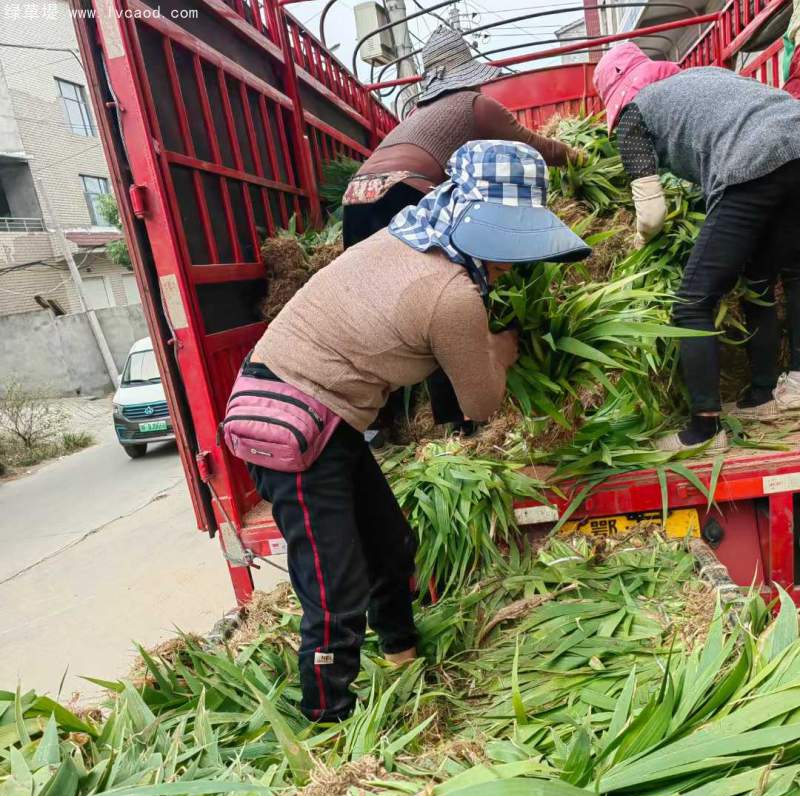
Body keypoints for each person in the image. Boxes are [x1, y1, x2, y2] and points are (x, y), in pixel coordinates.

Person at [238, 141, 589, 723]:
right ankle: (329, 723)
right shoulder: (452, 296)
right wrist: (500, 351)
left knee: (391, 544)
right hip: (289, 422)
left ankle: (401, 655)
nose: (510, 261)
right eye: (506, 239)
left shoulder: (410, 234)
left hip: (330, 414)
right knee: (333, 588)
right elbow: (481, 402)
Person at [342, 25, 582, 437]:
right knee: (442, 300)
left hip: (356, 201)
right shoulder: (476, 105)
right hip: (403, 192)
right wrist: (576, 156)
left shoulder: (416, 117)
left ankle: (379, 427)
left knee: (378, 313)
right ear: (467, 74)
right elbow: (532, 147)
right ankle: (461, 423)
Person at [594, 42, 800, 453]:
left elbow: (651, 214)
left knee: (692, 304)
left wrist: (639, 241)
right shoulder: (704, 76)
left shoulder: (635, 116)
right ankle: (775, 391)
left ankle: (704, 432)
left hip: (752, 161)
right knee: (767, 280)